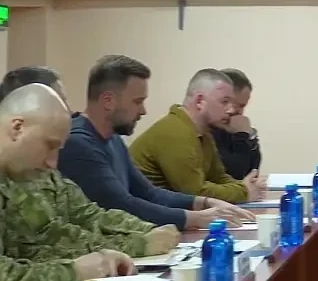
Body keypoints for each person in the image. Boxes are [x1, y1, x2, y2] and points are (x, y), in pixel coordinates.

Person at [0, 83, 176, 281]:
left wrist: (143, 233)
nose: (52, 163)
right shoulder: (24, 169)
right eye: (49, 146)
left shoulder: (25, 171)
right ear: (17, 128)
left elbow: (83, 218)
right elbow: (8, 276)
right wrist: (76, 270)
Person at [57, 55, 254, 230]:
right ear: (108, 101)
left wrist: (205, 202)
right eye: (137, 101)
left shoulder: (113, 138)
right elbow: (121, 205)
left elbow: (149, 193)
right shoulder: (78, 142)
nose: (143, 111)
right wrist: (196, 218)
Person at [130, 68, 267, 203]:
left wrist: (244, 188)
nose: (231, 110)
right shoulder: (176, 131)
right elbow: (194, 192)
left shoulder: (202, 132)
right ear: (200, 101)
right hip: (143, 214)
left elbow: (218, 178)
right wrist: (243, 192)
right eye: (224, 102)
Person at [211, 68, 262, 180]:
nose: (234, 111)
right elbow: (234, 175)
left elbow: (253, 172)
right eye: (226, 103)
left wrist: (250, 137)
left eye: (241, 106)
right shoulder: (204, 131)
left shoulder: (232, 127)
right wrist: (241, 136)